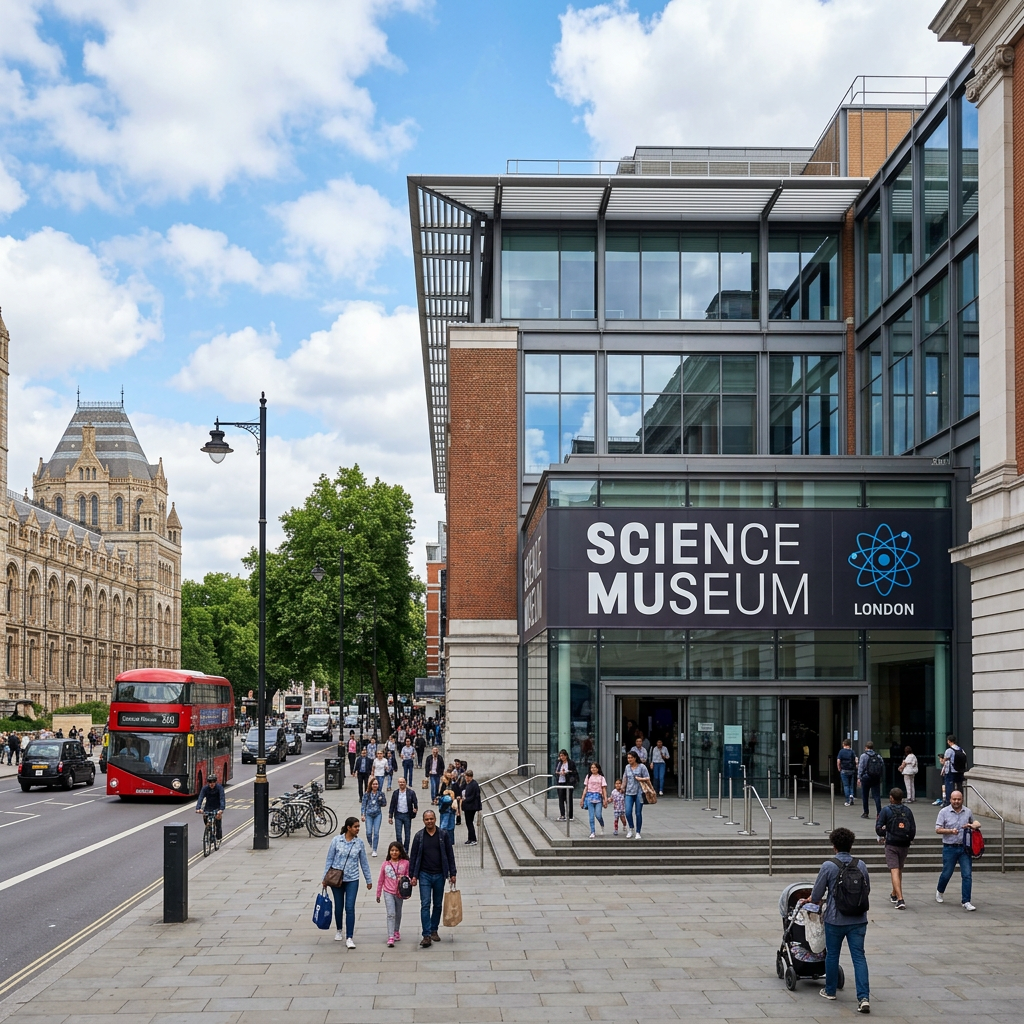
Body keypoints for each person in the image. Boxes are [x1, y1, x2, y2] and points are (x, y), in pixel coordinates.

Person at [801, 826, 870, 1013]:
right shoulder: (861, 865)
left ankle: (830, 990)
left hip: (835, 919)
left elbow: (816, 894)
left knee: (832, 954)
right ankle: (863, 997)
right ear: (851, 844)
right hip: (858, 919)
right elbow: (867, 890)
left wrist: (816, 900)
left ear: (834, 846)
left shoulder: (829, 866)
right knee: (859, 957)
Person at [323, 817, 373, 948]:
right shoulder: (336, 840)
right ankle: (339, 929)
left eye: (358, 827)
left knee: (350, 907)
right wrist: (325, 878)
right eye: (355, 827)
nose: (357, 829)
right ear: (348, 827)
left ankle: (349, 936)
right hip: (336, 879)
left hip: (352, 879)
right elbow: (329, 859)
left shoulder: (359, 843)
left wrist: (369, 879)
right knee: (339, 907)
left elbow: (364, 862)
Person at [409, 809, 457, 947]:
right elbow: (413, 857)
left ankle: (434, 929)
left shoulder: (443, 835)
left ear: (435, 819)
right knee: (425, 904)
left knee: (437, 904)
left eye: (431, 819)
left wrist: (452, 873)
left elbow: (449, 854)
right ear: (423, 821)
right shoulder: (419, 836)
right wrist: (413, 875)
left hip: (439, 875)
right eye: (426, 819)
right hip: (424, 874)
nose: (429, 821)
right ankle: (426, 934)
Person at [935, 789, 981, 911]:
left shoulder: (968, 812)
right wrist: (950, 831)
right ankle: (940, 890)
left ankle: (966, 901)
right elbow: (938, 829)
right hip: (949, 847)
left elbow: (976, 822)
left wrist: (973, 825)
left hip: (964, 848)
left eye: (959, 799)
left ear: (962, 799)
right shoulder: (944, 812)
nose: (956, 801)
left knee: (967, 875)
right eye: (954, 799)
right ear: (950, 800)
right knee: (947, 873)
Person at [875, 787, 916, 910]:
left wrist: (883, 834)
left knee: (894, 869)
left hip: (892, 843)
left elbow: (878, 827)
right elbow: (913, 828)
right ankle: (894, 894)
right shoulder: (907, 811)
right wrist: (909, 839)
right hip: (904, 843)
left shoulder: (886, 810)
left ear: (891, 798)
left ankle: (900, 898)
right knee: (899, 869)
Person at [376, 840, 410, 947]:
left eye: (396, 850)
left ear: (400, 852)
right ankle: (390, 936)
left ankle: (396, 930)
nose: (394, 852)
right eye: (392, 850)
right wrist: (378, 893)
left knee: (398, 912)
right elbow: (381, 879)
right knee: (391, 913)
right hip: (388, 891)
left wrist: (405, 878)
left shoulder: (405, 863)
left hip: (400, 892)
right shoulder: (385, 864)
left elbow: (409, 876)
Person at [622, 751, 650, 840]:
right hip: (629, 792)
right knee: (628, 811)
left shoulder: (642, 767)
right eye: (628, 758)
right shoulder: (627, 767)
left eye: (631, 758)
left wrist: (640, 778)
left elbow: (648, 778)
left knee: (638, 813)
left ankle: (638, 831)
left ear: (635, 758)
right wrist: (622, 788)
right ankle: (631, 828)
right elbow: (625, 778)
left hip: (639, 792)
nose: (629, 759)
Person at [389, 776, 418, 850]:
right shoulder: (395, 793)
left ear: (406, 783)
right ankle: (400, 850)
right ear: (398, 783)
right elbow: (392, 804)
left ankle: (406, 850)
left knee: (407, 834)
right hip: (398, 815)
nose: (401, 783)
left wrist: (415, 809)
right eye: (400, 782)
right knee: (398, 834)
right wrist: (390, 816)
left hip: (407, 815)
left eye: (403, 782)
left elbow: (415, 802)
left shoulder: (411, 792)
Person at [194, 769, 225, 840]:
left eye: (213, 782)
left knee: (217, 819)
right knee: (206, 818)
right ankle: (209, 831)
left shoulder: (219, 788)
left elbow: (222, 798)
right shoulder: (205, 788)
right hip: (208, 807)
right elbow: (200, 798)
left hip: (217, 807)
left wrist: (221, 809)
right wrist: (198, 808)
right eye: (210, 782)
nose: (212, 784)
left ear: (215, 782)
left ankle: (218, 833)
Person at [580, 762, 608, 838]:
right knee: (591, 816)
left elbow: (604, 789)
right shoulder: (588, 777)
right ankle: (592, 831)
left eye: (595, 767)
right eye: (592, 767)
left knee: (598, 815)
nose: (593, 769)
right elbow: (585, 788)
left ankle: (602, 824)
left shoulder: (601, 777)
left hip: (598, 797)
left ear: (598, 768)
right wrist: (582, 799)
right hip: (589, 797)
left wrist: (605, 799)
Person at [361, 777, 386, 856]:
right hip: (368, 814)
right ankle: (370, 842)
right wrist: (362, 814)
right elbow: (363, 805)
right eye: (374, 784)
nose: (375, 785)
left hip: (377, 814)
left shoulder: (381, 794)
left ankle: (374, 849)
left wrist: (381, 799)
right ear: (371, 785)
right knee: (368, 832)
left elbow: (384, 804)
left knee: (376, 833)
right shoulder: (367, 794)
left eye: (376, 784)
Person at [857, 740, 883, 818]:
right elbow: (881, 765)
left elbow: (861, 767)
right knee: (876, 796)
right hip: (875, 778)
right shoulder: (878, 756)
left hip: (866, 777)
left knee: (865, 795)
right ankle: (879, 813)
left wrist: (859, 777)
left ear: (866, 747)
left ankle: (866, 812)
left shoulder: (864, 756)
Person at [941, 736, 967, 806]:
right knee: (959, 786)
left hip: (951, 771)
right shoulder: (961, 750)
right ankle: (960, 800)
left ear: (949, 741)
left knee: (949, 787)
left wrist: (942, 760)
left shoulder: (949, 750)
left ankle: (949, 802)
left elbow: (944, 761)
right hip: (959, 771)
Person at [553, 749, 577, 821]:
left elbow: (574, 772)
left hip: (568, 782)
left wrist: (568, 772)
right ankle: (562, 814)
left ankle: (570, 815)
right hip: (560, 781)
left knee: (569, 799)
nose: (562, 757)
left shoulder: (571, 763)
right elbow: (556, 771)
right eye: (560, 756)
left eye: (563, 755)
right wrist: (559, 773)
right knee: (561, 798)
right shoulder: (559, 763)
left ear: (566, 756)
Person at [461, 770, 481, 845]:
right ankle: (470, 838)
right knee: (468, 822)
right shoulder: (468, 783)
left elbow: (473, 796)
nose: (466, 778)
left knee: (469, 823)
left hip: (471, 807)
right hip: (468, 806)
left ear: (470, 777)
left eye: (467, 777)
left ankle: (473, 839)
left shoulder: (474, 784)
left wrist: (465, 799)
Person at [837, 739, 857, 806]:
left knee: (846, 785)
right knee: (851, 785)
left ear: (844, 744)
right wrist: (856, 766)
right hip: (851, 770)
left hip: (844, 770)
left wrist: (839, 768)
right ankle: (851, 796)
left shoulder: (841, 752)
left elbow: (838, 761)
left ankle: (847, 801)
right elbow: (856, 760)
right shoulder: (852, 752)